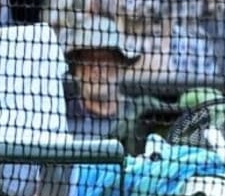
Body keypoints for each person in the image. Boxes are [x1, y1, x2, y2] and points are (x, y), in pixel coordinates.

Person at [61, 16, 169, 155]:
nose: (96, 69)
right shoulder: (61, 119)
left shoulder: (143, 115)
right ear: (76, 69)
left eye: (104, 60)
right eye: (88, 61)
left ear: (121, 66)